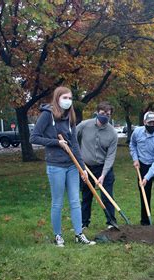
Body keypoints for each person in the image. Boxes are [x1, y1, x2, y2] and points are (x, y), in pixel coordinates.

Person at [30, 86, 95, 246]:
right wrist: (56, 143)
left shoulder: (70, 116)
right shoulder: (47, 115)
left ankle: (79, 234)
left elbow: (74, 144)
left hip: (71, 166)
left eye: (70, 98)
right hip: (55, 166)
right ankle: (58, 235)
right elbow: (34, 137)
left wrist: (82, 168)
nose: (68, 101)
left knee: (75, 201)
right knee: (57, 202)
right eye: (64, 97)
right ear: (57, 98)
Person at [77, 101, 118, 230]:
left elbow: (110, 156)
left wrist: (103, 175)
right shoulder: (84, 125)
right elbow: (73, 139)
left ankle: (111, 222)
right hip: (86, 167)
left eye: (108, 114)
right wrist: (79, 160)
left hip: (103, 167)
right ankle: (84, 223)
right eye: (102, 113)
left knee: (107, 196)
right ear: (97, 113)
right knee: (86, 195)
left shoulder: (112, 133)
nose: (104, 116)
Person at [129, 111, 154, 229]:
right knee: (144, 194)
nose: (152, 125)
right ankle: (145, 222)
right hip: (142, 165)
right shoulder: (137, 132)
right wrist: (135, 158)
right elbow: (132, 145)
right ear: (144, 122)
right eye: (149, 122)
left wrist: (147, 177)